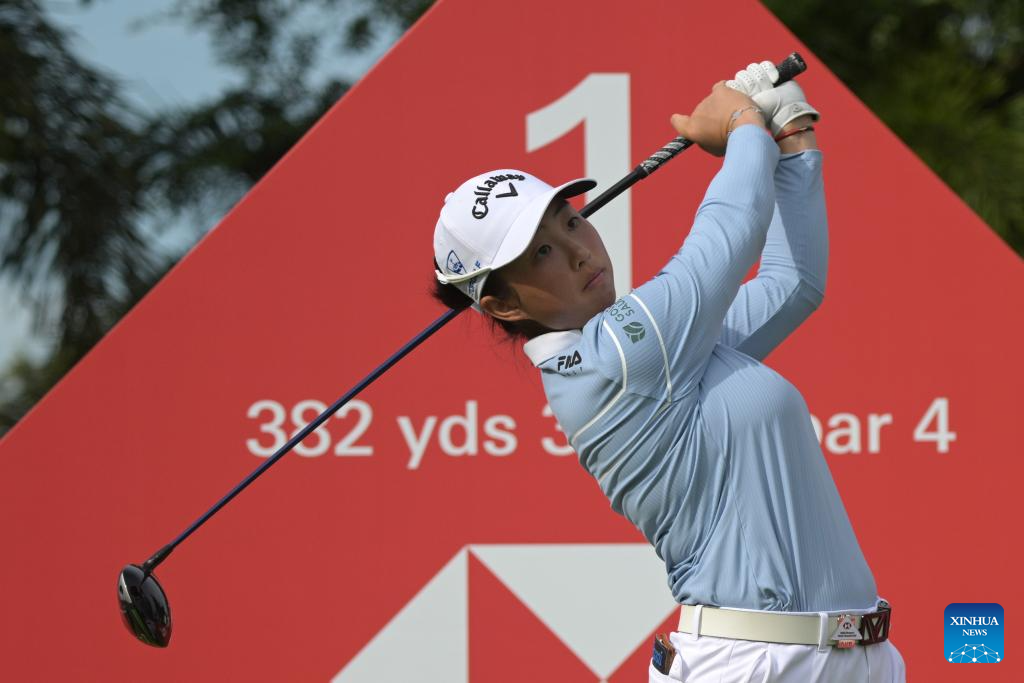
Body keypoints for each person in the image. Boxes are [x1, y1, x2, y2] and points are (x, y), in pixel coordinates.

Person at [431, 62, 906, 682]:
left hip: (851, 657)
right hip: (752, 666)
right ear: (502, 305)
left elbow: (793, 285)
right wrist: (742, 125)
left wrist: (792, 138)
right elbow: (729, 231)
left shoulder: (663, 354)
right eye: (542, 252)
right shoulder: (619, 356)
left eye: (570, 220)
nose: (578, 251)